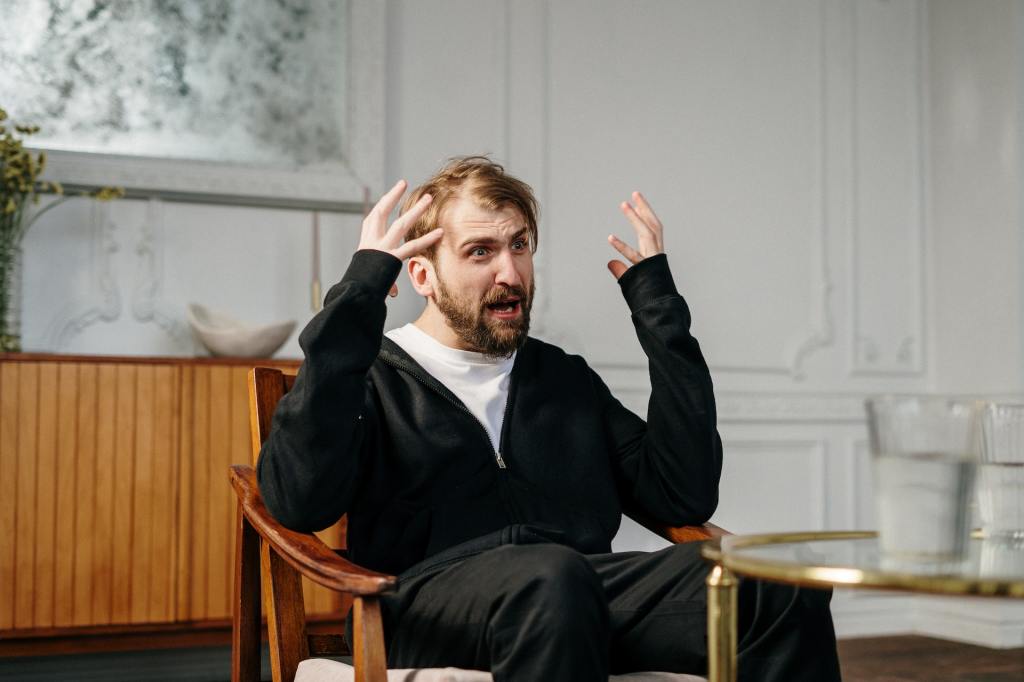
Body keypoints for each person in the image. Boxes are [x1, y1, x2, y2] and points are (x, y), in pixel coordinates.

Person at [257, 157, 842, 681]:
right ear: (422, 276)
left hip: (578, 593)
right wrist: (359, 295)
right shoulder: (369, 376)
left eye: (519, 245)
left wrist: (659, 311)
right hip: (422, 608)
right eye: (480, 252)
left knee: (778, 577)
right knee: (553, 578)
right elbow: (298, 502)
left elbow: (682, 494)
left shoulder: (562, 378)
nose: (511, 274)